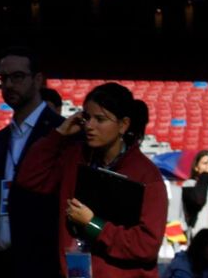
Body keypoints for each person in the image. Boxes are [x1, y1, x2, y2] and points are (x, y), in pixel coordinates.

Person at [16, 82, 166, 278]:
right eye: (86, 117)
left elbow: (146, 247)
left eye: (100, 119)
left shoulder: (147, 176)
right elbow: (30, 178)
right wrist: (59, 134)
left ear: (123, 125)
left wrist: (93, 224)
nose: (89, 126)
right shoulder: (73, 157)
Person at [0, 47, 64, 278]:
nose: (8, 85)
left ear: (37, 80)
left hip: (43, 264)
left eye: (17, 77)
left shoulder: (64, 134)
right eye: (3, 78)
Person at [183, 150, 208, 238]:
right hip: (200, 238)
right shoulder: (189, 184)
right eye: (205, 163)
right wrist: (206, 174)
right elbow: (199, 200)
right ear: (196, 167)